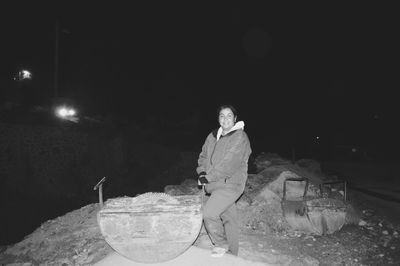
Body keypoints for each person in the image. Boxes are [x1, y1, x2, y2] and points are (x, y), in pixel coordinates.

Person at [196, 104, 252, 257]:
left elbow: (230, 164)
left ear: (235, 119)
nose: (225, 119)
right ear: (218, 118)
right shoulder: (212, 136)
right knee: (229, 217)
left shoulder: (240, 137)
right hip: (214, 185)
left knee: (209, 214)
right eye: (222, 115)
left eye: (229, 115)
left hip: (231, 184)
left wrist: (208, 177)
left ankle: (220, 244)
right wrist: (201, 172)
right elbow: (203, 157)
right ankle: (233, 254)